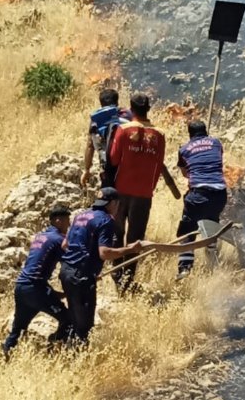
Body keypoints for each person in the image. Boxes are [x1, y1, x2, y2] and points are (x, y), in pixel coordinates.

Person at [107, 93, 180, 289]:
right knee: (135, 238)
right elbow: (158, 165)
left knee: (117, 233)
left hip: (121, 190)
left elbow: (113, 160)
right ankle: (128, 280)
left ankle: (116, 274)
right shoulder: (160, 135)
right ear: (149, 108)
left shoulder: (123, 130)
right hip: (144, 194)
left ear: (131, 108)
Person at [59, 186, 141, 344]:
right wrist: (130, 249)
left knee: (75, 318)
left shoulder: (80, 216)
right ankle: (77, 359)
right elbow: (105, 253)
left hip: (66, 273)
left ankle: (68, 352)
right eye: (118, 205)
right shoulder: (106, 221)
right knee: (84, 327)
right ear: (113, 203)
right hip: (81, 277)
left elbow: (65, 245)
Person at [2, 204, 73, 357]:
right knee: (68, 319)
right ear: (58, 220)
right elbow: (71, 262)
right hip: (36, 288)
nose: (69, 224)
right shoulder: (59, 239)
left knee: (18, 329)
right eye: (68, 220)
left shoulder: (40, 237)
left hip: (22, 287)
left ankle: (4, 359)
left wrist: (53, 294)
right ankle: (54, 349)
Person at [175, 119, 228, 279]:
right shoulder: (216, 143)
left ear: (189, 133)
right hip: (220, 194)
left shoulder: (184, 149)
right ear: (205, 131)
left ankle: (185, 268)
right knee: (211, 224)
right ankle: (212, 262)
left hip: (198, 194)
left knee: (187, 230)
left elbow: (185, 173)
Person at [80, 87, 132, 190]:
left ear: (101, 103)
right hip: (129, 165)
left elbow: (90, 146)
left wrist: (86, 170)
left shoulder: (96, 120)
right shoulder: (127, 115)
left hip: (108, 167)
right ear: (117, 101)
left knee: (110, 198)